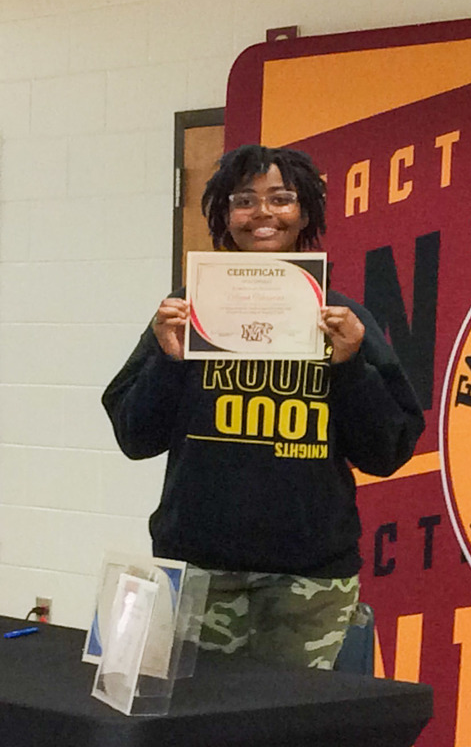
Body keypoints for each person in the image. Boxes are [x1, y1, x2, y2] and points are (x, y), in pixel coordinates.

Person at [102, 145, 425, 670]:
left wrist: (347, 367)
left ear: (304, 214)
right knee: (194, 728)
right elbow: (135, 437)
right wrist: (168, 361)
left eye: (281, 199)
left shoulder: (342, 319)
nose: (263, 214)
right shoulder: (186, 316)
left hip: (310, 580)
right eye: (244, 201)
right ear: (224, 216)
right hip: (199, 571)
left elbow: (388, 450)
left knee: (296, 730)